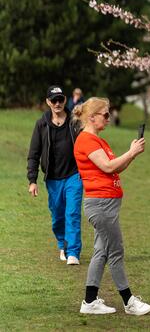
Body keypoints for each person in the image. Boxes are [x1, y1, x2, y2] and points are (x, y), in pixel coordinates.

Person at [72, 97, 150, 315]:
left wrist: (132, 154)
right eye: (105, 115)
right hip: (101, 205)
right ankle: (129, 302)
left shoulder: (100, 141)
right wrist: (131, 152)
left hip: (107, 204)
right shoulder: (86, 140)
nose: (108, 119)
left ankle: (89, 301)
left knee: (101, 252)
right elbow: (107, 167)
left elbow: (115, 169)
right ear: (92, 117)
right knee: (115, 251)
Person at [26, 85, 83, 265]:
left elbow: (86, 145)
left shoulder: (75, 122)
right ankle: (62, 243)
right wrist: (32, 180)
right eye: (54, 100)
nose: (57, 103)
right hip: (52, 178)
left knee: (72, 213)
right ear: (48, 102)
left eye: (60, 99)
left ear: (65, 100)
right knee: (58, 216)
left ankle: (73, 252)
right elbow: (33, 153)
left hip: (74, 175)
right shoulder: (41, 124)